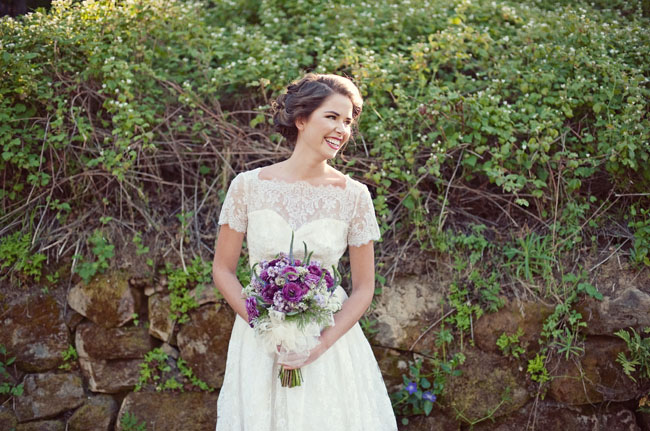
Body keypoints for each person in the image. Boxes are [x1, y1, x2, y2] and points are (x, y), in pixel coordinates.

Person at [212, 73, 397, 430]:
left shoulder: (355, 196)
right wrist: (264, 325)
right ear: (301, 119)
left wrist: (318, 346)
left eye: (348, 121)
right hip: (259, 343)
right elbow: (223, 270)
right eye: (332, 117)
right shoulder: (248, 187)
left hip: (326, 342)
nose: (342, 129)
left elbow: (363, 288)